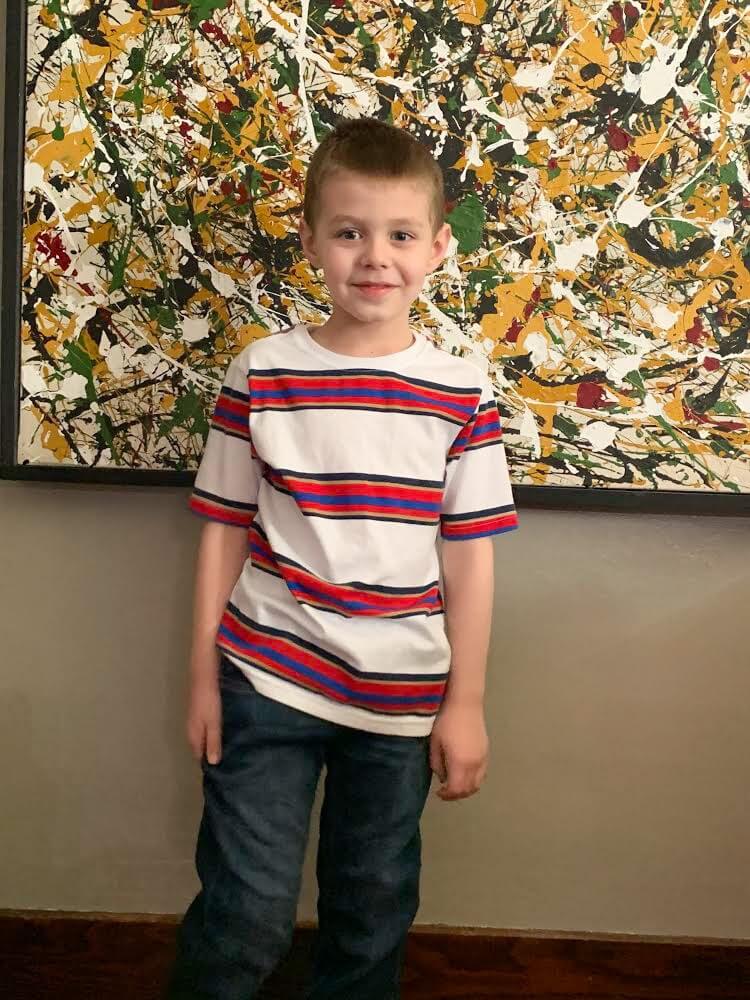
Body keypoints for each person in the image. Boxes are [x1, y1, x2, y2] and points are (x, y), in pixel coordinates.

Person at [166, 116, 518, 1000]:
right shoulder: (262, 372)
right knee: (245, 914)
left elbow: (470, 556)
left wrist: (467, 703)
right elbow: (223, 529)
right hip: (264, 678)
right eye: (350, 232)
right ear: (311, 240)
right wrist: (202, 678)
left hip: (400, 698)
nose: (375, 258)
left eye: (400, 235)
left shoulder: (463, 390)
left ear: (437, 248)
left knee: (369, 913)